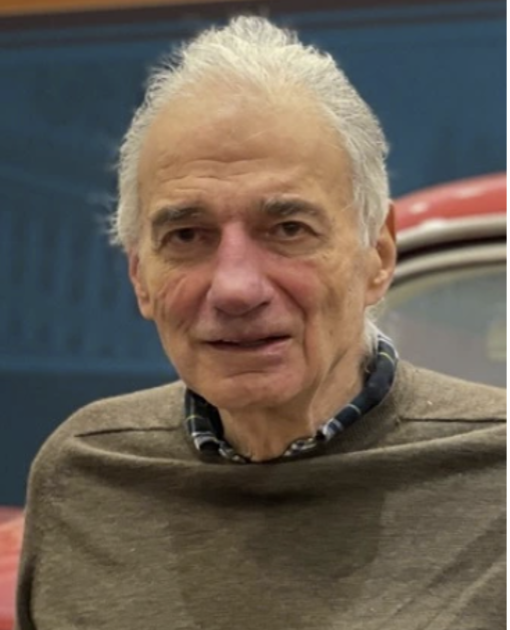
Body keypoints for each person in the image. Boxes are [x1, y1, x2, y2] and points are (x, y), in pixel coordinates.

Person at [15, 17, 507, 630]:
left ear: (377, 256)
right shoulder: (82, 473)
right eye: (187, 235)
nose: (236, 288)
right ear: (140, 275)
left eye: (288, 229)